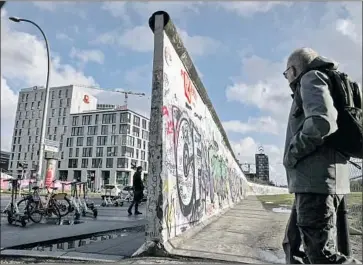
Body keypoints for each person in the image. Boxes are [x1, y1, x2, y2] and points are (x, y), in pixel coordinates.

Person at [282, 48, 361, 264]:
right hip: (320, 182)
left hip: (316, 184)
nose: (286, 78)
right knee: (293, 246)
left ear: (294, 69)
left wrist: (291, 154)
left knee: (320, 255)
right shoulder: (326, 79)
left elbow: (322, 122)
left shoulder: (311, 77)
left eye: (286, 73)